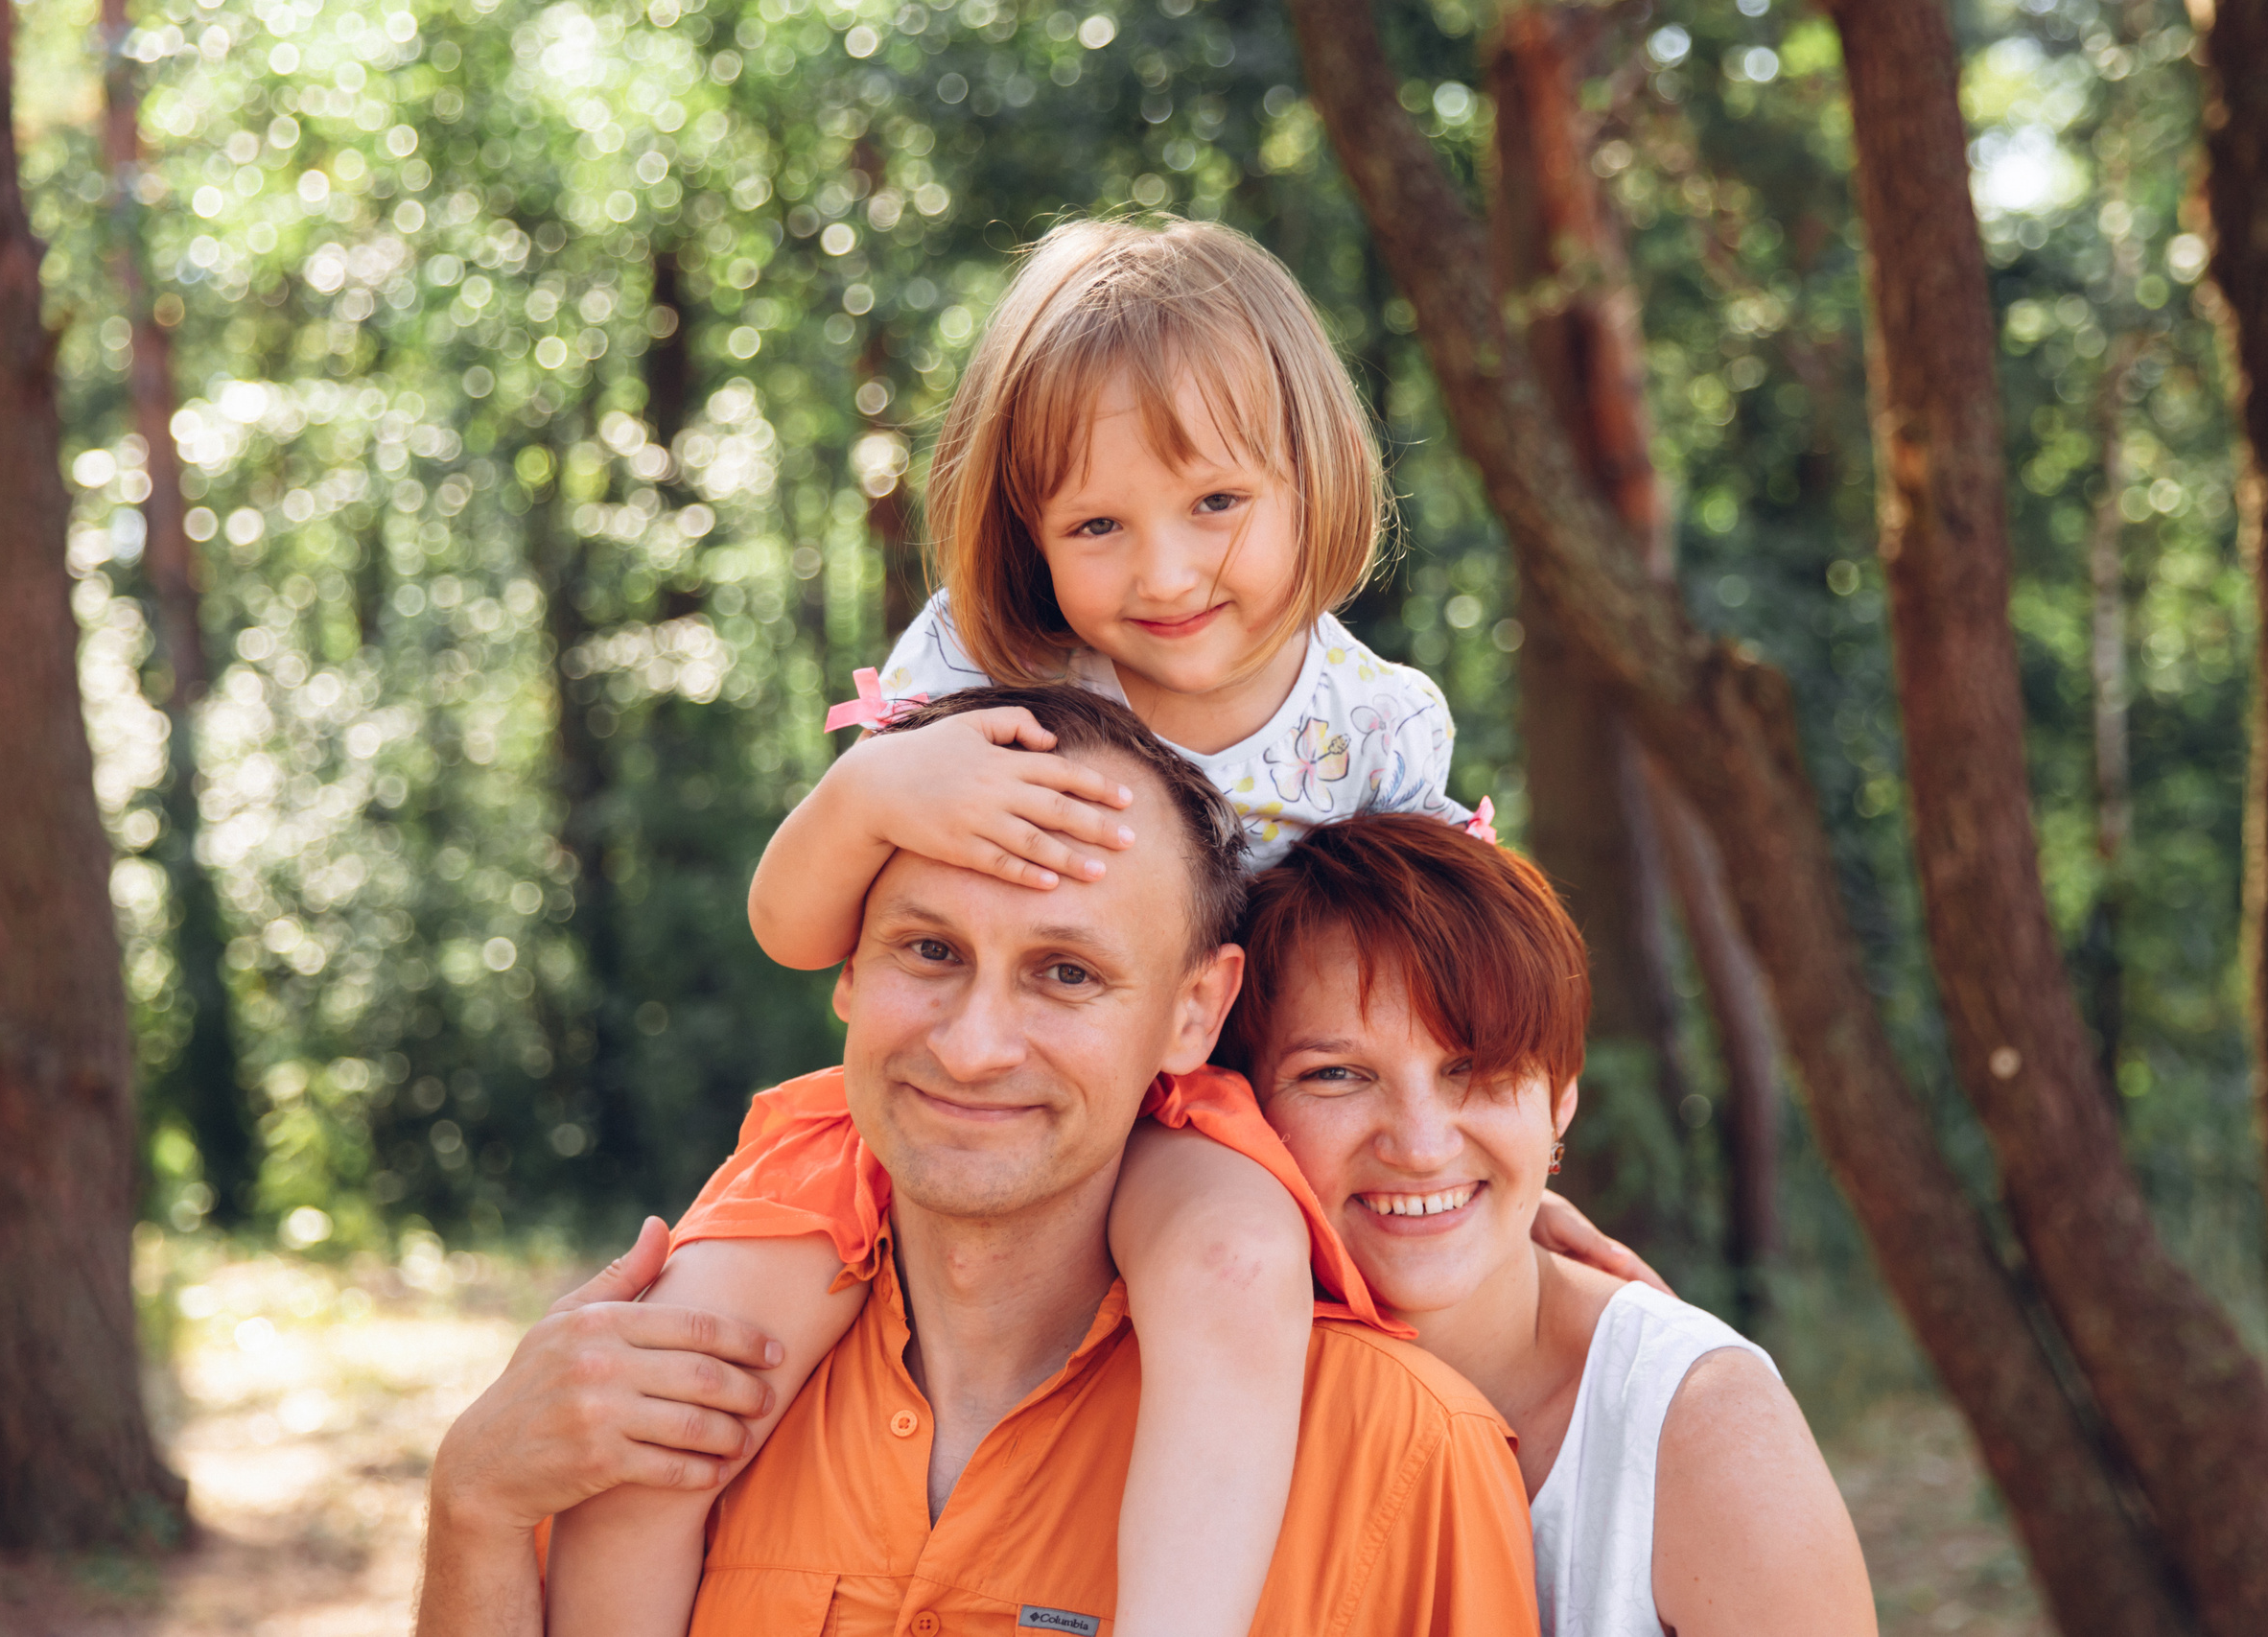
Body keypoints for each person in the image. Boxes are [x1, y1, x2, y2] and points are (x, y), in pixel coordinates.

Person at [550, 216, 1534, 1637]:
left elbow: (1438, 1001)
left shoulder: (1373, 723)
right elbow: (791, 923)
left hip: (1205, 1116)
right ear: (1031, 535)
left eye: (1215, 503)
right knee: (682, 1369)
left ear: (1311, 473)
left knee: (1232, 1269)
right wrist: (880, 783)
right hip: (944, 1079)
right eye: (1097, 526)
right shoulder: (982, 665)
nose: (1166, 573)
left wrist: (1522, 1201)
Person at [417, 688, 1543, 1637]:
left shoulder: (1396, 1453)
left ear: (1196, 1016)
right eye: (929, 950)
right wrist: (473, 1506)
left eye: (1066, 974)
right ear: (848, 969)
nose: (971, 1045)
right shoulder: (672, 1392)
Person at [1222, 814, 1876, 1636]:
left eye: (1475, 1068)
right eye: (1338, 1074)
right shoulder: (1190, 1386)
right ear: (1242, 1102)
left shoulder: (1702, 1427)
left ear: (1560, 1096)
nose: (1421, 1146)